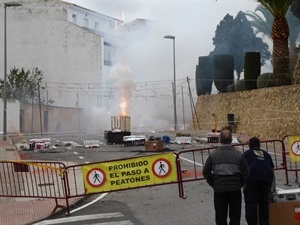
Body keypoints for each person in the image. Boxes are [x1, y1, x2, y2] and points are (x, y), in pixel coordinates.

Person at [202, 129, 249, 225]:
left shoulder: (213, 154)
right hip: (235, 189)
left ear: (220, 140)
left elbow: (206, 172)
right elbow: (246, 172)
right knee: (235, 216)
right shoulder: (238, 155)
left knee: (220, 216)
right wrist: (239, 183)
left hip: (219, 189)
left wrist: (213, 183)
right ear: (231, 140)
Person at [243, 137, 275, 225]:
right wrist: (272, 186)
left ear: (249, 145)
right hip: (266, 178)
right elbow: (271, 169)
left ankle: (252, 223)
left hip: (252, 178)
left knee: (250, 202)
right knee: (264, 201)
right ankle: (264, 223)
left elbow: (242, 169)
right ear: (259, 145)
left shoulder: (246, 154)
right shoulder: (266, 154)